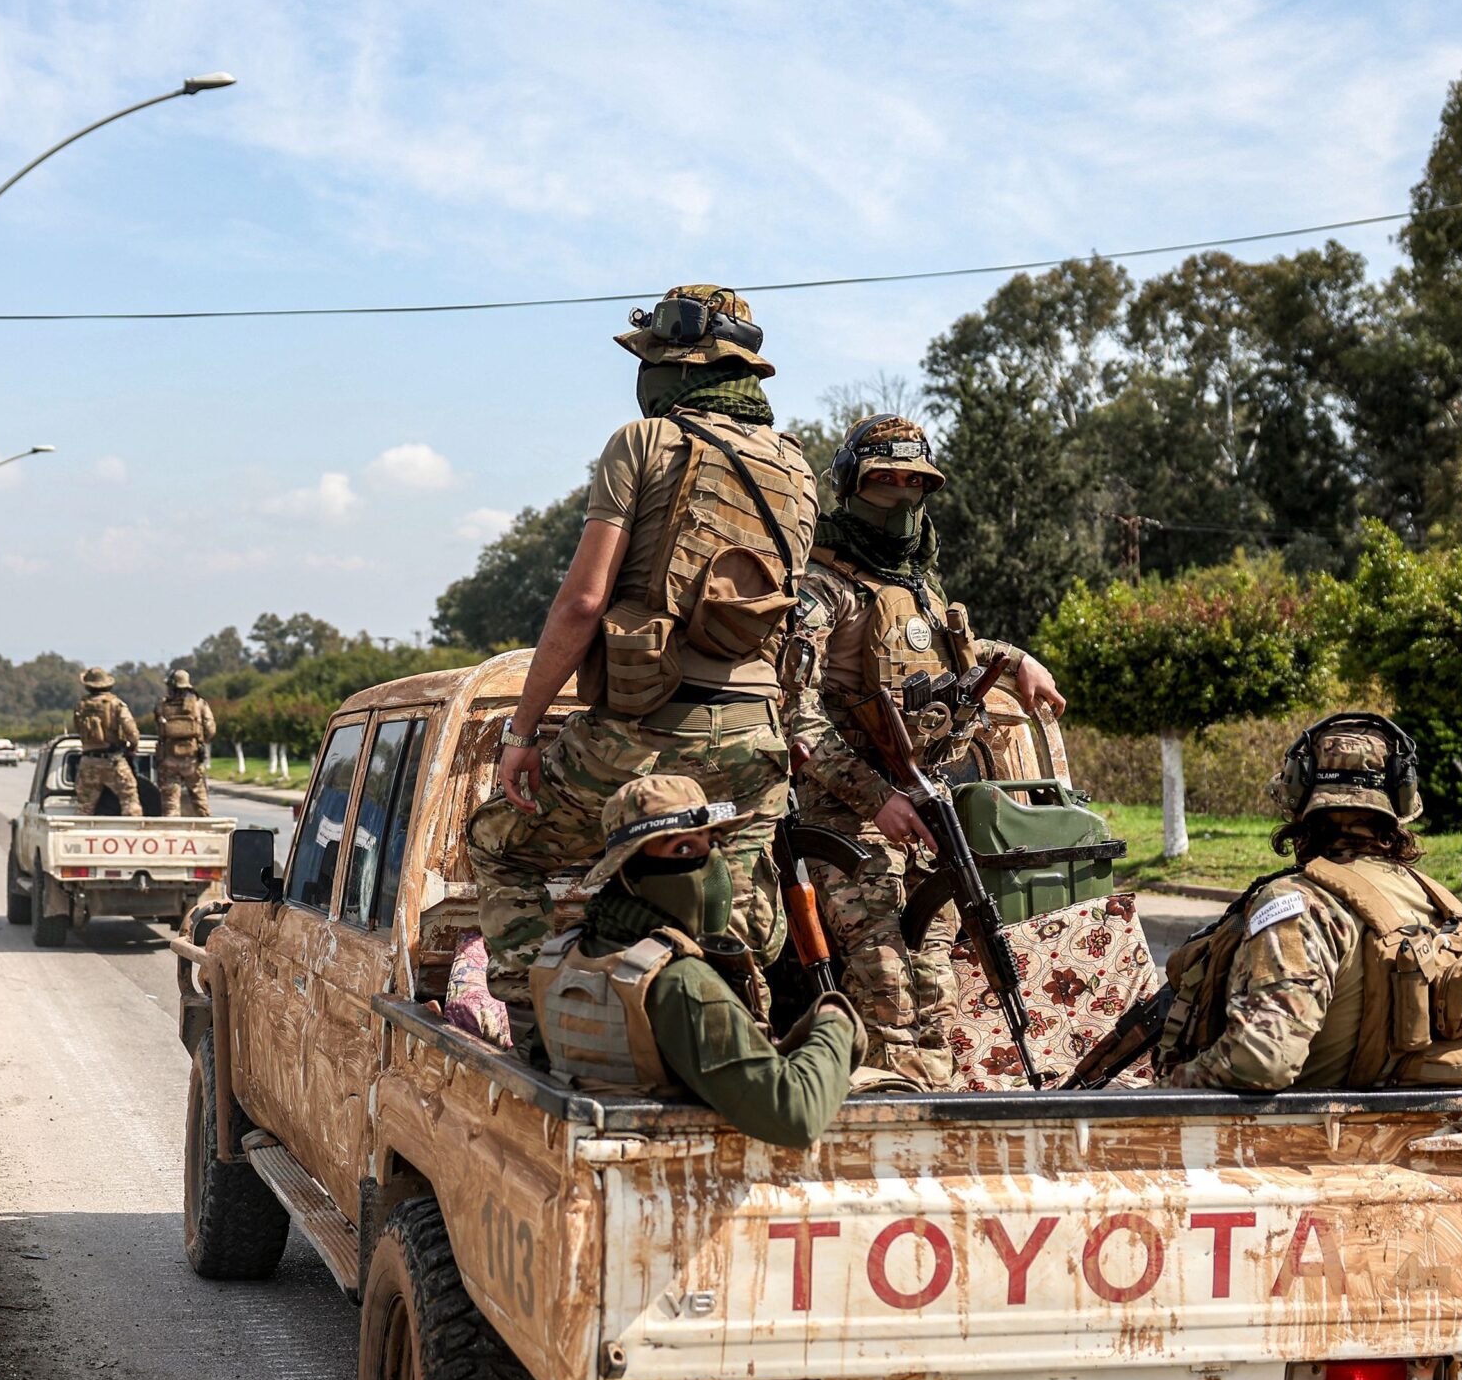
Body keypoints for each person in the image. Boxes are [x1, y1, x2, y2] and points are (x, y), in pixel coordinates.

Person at [453, 285, 818, 1045]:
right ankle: (732, 1050)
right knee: (734, 910)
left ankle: (540, 1032)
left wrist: (523, 730)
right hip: (757, 741)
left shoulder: (644, 443)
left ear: (673, 366)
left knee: (499, 846)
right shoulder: (799, 470)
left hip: (645, 733)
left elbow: (582, 605)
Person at [784, 414, 1066, 1087]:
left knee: (936, 983)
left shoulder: (918, 587)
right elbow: (794, 716)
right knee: (886, 985)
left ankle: (934, 1111)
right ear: (850, 489)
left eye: (916, 485)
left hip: (922, 818)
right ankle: (885, 1120)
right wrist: (876, 798)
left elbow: (951, 665)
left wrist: (1017, 659)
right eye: (883, 485)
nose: (901, 501)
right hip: (843, 821)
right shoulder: (820, 592)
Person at [1159, 714, 1462, 1091]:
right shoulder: (1435, 901)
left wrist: (1168, 1089)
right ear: (1400, 802)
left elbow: (1260, 1061)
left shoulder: (1295, 904)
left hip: (1305, 1139)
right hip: (1410, 1131)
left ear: (1297, 797)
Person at [528, 776, 862, 1148]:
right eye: (683, 850)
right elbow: (795, 1116)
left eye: (714, 844)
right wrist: (835, 1020)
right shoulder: (681, 980)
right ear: (630, 870)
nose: (712, 866)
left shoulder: (563, 957)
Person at [71, 666, 142, 817]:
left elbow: (78, 729)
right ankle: (132, 834)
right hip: (113, 761)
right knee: (130, 800)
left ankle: (83, 836)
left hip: (88, 762)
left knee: (84, 806)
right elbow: (132, 732)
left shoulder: (81, 706)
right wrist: (132, 747)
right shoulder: (116, 704)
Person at [155, 668, 217, 817]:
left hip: (169, 759)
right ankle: (206, 830)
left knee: (171, 803)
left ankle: (171, 834)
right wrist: (200, 740)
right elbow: (210, 729)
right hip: (192, 758)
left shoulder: (162, 705)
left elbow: (159, 728)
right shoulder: (199, 704)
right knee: (200, 799)